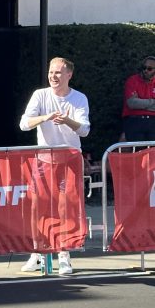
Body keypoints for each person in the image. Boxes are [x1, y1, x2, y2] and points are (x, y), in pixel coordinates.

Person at [19, 56, 90, 277]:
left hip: (69, 159)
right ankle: (38, 252)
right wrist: (45, 117)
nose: (53, 76)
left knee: (65, 207)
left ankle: (64, 254)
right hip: (44, 159)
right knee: (37, 206)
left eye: (58, 72)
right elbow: (24, 123)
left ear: (69, 74)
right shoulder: (40, 95)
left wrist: (67, 120)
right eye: (51, 72)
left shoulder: (79, 98)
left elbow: (85, 130)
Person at [121, 55, 155, 143]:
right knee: (137, 153)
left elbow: (136, 103)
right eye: (144, 68)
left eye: (149, 69)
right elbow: (132, 103)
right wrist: (152, 102)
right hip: (134, 121)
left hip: (153, 121)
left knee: (152, 154)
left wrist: (141, 102)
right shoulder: (132, 80)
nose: (145, 71)